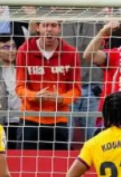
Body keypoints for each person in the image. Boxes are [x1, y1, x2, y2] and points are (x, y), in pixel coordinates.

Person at [15, 19, 82, 149]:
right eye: (45, 25)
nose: (49, 29)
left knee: (58, 167)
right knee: (25, 166)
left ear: (59, 29)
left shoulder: (71, 52)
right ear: (37, 28)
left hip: (58, 120)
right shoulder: (24, 50)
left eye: (53, 25)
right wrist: (35, 96)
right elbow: (19, 87)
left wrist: (62, 98)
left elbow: (76, 90)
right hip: (31, 119)